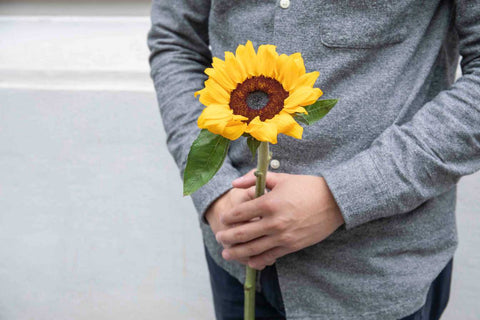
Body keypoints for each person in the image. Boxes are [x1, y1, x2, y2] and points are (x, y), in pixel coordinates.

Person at [147, 1, 480, 319]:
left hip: (378, 271)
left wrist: (342, 196)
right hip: (236, 260)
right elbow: (176, 43)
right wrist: (214, 191)